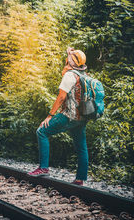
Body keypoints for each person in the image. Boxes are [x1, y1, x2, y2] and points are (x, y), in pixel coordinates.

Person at [27, 47, 88, 186]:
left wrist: (50, 115)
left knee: (42, 131)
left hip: (69, 115)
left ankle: (43, 168)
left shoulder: (69, 75)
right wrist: (70, 53)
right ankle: (80, 179)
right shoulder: (84, 74)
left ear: (72, 62)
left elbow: (61, 96)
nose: (67, 59)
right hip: (82, 118)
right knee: (81, 146)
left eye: (70, 58)